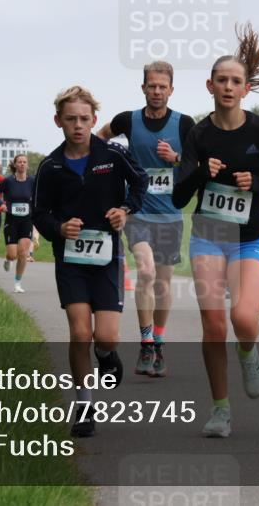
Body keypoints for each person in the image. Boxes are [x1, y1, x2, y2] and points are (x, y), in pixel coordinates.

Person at [172, 23, 259, 438]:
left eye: (235, 81)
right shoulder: (198, 134)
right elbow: (177, 197)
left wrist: (257, 184)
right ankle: (221, 409)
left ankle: (249, 350)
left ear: (246, 89)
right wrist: (197, 174)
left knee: (244, 319)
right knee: (213, 326)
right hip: (208, 235)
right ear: (210, 85)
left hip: (247, 238)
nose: (228, 86)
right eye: (221, 80)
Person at [32, 85, 147, 438]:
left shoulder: (112, 154)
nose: (78, 126)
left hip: (107, 257)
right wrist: (59, 228)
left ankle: (107, 355)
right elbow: (39, 213)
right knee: (80, 332)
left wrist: (124, 210)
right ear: (58, 122)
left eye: (84, 119)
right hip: (70, 260)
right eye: (70, 120)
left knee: (106, 337)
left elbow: (140, 183)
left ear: (95, 120)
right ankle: (83, 405)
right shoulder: (50, 166)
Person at [97, 60, 196, 378]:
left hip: (170, 215)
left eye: (162, 86)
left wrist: (177, 158)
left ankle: (159, 342)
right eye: (151, 85)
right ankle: (145, 342)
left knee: (164, 284)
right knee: (147, 273)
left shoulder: (184, 125)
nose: (156, 91)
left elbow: (200, 163)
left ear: (171, 89)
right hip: (137, 211)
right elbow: (100, 137)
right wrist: (101, 164)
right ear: (143, 87)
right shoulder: (128, 120)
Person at [0, 154, 36, 293]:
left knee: (23, 253)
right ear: (15, 165)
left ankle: (17, 283)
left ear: (27, 165)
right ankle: (8, 260)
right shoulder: (8, 181)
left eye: (25, 162)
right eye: (20, 162)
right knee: (12, 254)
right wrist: (1, 204)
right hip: (11, 220)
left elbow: (40, 196)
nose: (22, 164)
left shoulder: (33, 181)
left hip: (27, 220)